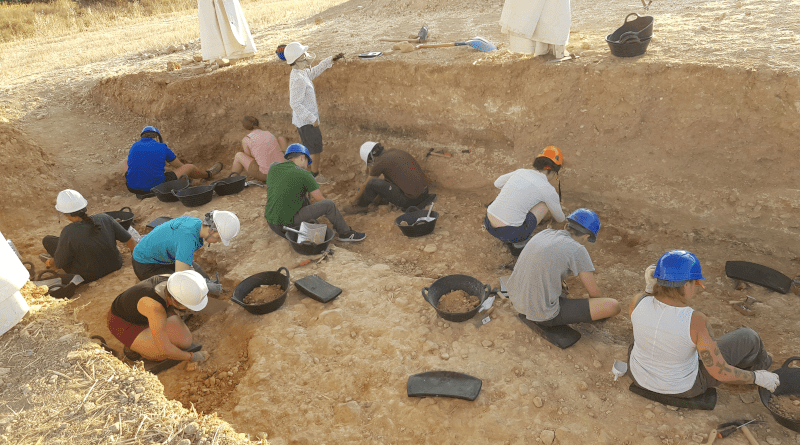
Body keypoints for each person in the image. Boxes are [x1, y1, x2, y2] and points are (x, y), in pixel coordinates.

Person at [628, 250, 780, 397]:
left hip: (639, 378)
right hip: (682, 389)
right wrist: (756, 377)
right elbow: (719, 372)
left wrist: (649, 290)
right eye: (694, 283)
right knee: (749, 337)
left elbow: (650, 321)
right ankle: (761, 369)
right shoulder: (696, 320)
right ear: (686, 285)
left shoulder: (638, 301)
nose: (695, 287)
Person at [507, 208, 621, 328]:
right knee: (613, 306)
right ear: (587, 236)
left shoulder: (544, 233)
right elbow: (594, 293)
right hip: (541, 314)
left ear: (566, 225)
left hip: (516, 300)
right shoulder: (578, 249)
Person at [264, 144, 365, 242]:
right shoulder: (305, 174)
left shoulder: (273, 167)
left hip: (272, 224)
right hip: (287, 227)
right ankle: (346, 233)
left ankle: (305, 221)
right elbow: (321, 200)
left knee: (301, 195)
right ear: (302, 157)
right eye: (307, 162)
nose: (307, 166)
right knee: (329, 204)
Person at [107, 270, 210, 363]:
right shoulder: (156, 308)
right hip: (123, 322)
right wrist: (192, 357)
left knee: (185, 341)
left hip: (148, 313)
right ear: (177, 301)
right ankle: (135, 348)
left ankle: (150, 334)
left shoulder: (175, 282)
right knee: (160, 354)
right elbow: (165, 350)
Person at [41, 189, 136, 283]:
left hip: (87, 276)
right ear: (84, 207)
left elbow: (59, 263)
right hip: (115, 265)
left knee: (48, 240)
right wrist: (136, 260)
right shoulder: (104, 218)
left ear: (65, 213)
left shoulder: (68, 231)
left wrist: (51, 262)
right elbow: (130, 240)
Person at [284, 41, 345, 184]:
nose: (306, 56)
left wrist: (330, 60)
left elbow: (314, 71)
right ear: (298, 58)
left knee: (309, 147)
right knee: (315, 149)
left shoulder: (301, 73)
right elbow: (294, 103)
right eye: (303, 54)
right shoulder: (298, 79)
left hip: (305, 121)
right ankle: (315, 176)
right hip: (307, 122)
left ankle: (308, 174)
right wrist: (312, 118)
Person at [484, 146, 566, 247]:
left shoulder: (521, 172)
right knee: (545, 204)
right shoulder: (548, 189)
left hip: (488, 223)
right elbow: (560, 218)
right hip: (511, 234)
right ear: (554, 171)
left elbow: (497, 183)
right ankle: (519, 245)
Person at [131, 210, 240, 283]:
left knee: (204, 279)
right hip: (146, 264)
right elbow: (181, 278)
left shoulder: (196, 223)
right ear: (211, 230)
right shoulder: (187, 240)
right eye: (219, 238)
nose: (219, 242)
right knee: (180, 289)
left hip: (165, 257)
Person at [125, 126, 223, 195]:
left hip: (132, 188)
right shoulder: (162, 146)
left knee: (126, 163)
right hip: (156, 187)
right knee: (189, 167)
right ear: (157, 137)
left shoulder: (134, 146)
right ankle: (208, 174)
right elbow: (179, 166)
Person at [346, 141, 432, 213]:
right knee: (382, 183)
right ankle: (375, 200)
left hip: (411, 200)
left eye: (369, 161)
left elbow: (366, 184)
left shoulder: (379, 162)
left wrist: (353, 200)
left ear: (370, 157)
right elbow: (388, 180)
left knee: (372, 182)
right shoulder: (394, 151)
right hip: (425, 193)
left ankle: (361, 206)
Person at [231, 115, 287, 182]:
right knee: (281, 139)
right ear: (257, 123)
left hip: (268, 175)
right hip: (283, 171)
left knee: (238, 155)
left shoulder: (246, 139)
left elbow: (251, 159)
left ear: (245, 127)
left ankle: (232, 179)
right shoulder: (269, 133)